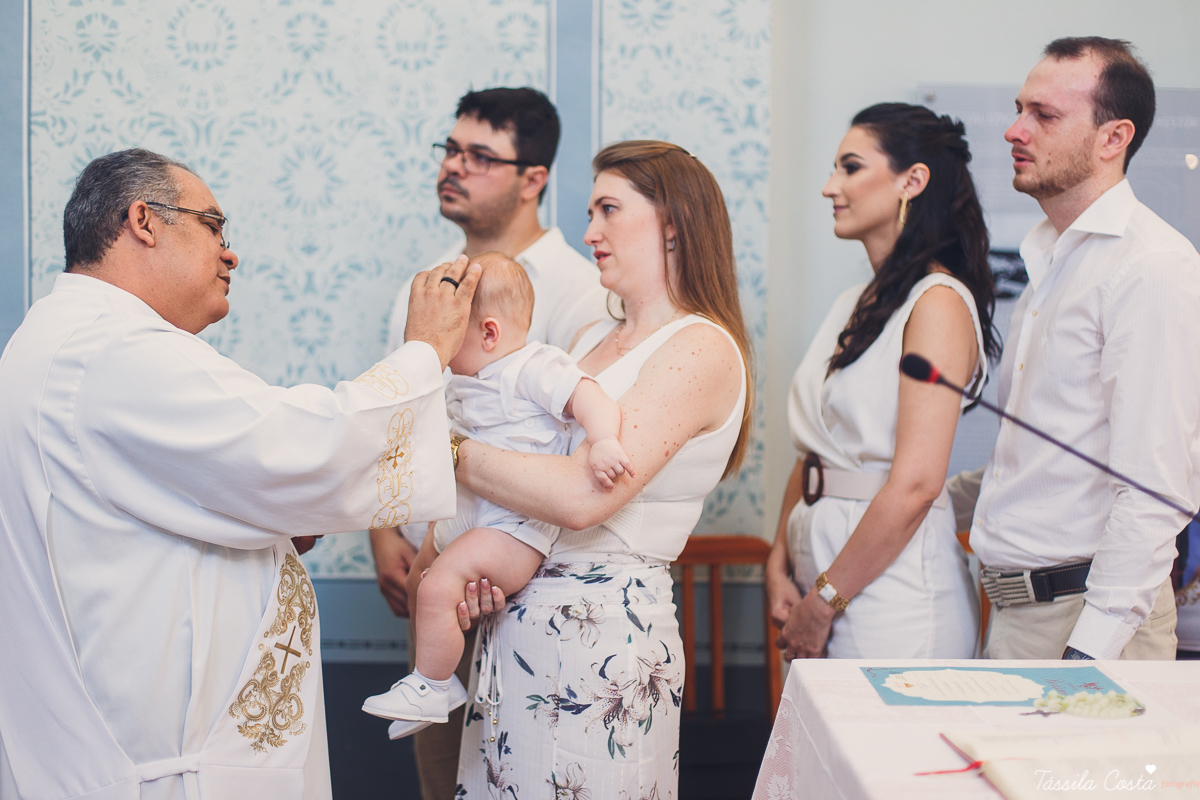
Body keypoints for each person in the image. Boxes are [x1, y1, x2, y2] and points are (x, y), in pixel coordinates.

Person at [0, 149, 479, 800]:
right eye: (213, 227)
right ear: (144, 220)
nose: (231, 254)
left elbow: (205, 486)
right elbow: (302, 447)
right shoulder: (109, 350)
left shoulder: (68, 339)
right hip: (163, 770)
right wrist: (424, 352)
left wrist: (271, 519)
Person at [449, 140, 752, 800]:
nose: (590, 232)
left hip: (604, 633)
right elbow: (525, 463)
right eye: (591, 212)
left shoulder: (699, 345)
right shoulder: (590, 337)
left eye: (609, 209)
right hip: (520, 618)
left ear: (673, 221)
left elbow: (584, 496)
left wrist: (445, 452)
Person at [367, 88, 607, 798]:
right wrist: (387, 533)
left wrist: (498, 561)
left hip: (514, 575)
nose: (454, 167)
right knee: (441, 777)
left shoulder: (579, 290)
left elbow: (569, 440)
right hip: (427, 560)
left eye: (479, 156)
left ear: (534, 178)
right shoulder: (429, 283)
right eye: (450, 150)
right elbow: (396, 413)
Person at [949, 37, 1200, 661]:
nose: (1014, 130)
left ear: (1113, 138)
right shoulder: (1054, 257)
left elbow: (1156, 485)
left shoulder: (1150, 266)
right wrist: (921, 497)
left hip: (1092, 622)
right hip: (1016, 610)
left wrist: (1090, 650)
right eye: (1018, 108)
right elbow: (1042, 459)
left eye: (1045, 115)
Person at [765, 104, 999, 661]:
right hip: (819, 569)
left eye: (850, 168)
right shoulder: (854, 302)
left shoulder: (937, 303)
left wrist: (823, 602)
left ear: (912, 180)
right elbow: (816, 452)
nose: (829, 187)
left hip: (892, 589)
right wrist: (778, 565)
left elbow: (917, 484)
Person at [362, 253, 633, 730]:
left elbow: (589, 396)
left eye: (451, 333)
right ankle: (438, 681)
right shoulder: (461, 382)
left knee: (441, 586)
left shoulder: (532, 366)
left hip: (512, 530)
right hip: (473, 521)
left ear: (488, 333)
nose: (441, 349)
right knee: (427, 586)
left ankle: (430, 685)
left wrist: (604, 441)